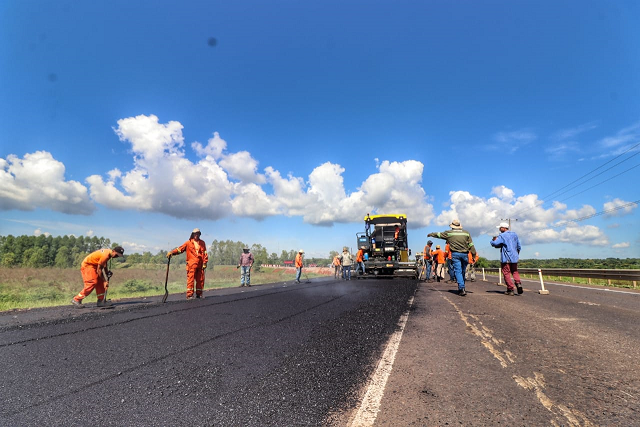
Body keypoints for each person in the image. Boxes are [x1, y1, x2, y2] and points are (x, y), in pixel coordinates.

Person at [428, 219, 477, 296]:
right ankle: (462, 286)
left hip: (455, 254)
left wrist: (431, 234)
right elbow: (471, 245)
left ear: (452, 226)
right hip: (465, 254)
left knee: (458, 271)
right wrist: (473, 255)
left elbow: (439, 234)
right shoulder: (466, 233)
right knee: (463, 271)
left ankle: (461, 288)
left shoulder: (449, 233)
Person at [167, 228, 208, 299]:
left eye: (198, 234)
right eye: (195, 233)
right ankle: (190, 296)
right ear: (193, 234)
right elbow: (180, 249)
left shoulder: (202, 243)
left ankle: (199, 295)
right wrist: (172, 253)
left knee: (200, 280)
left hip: (200, 265)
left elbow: (205, 253)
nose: (197, 235)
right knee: (191, 280)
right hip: (191, 265)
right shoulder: (188, 243)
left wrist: (205, 262)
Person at [491, 222, 523, 296]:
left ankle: (510, 289)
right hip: (514, 257)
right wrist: (516, 255)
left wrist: (492, 240)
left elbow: (495, 243)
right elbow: (519, 246)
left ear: (503, 228)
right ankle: (518, 283)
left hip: (506, 258)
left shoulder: (502, 236)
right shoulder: (514, 234)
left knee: (506, 273)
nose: (499, 229)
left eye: (500, 227)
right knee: (515, 271)